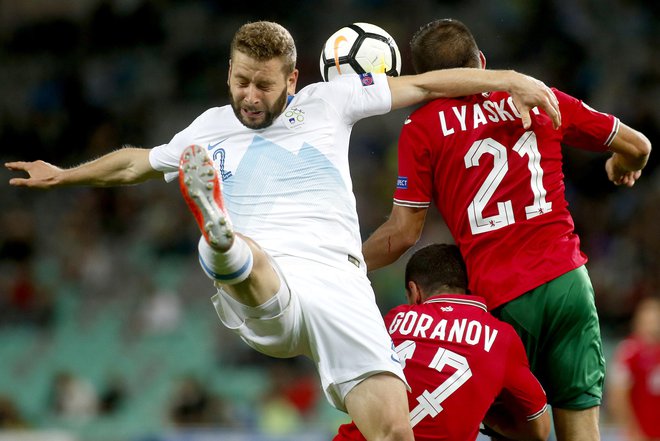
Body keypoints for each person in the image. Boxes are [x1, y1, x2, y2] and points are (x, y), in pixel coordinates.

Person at [6, 21, 562, 441]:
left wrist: (508, 78)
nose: (250, 95)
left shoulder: (329, 101)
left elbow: (427, 84)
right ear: (229, 72)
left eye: (265, 85)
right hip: (271, 279)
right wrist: (65, 176)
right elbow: (134, 163)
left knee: (394, 427)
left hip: (341, 285)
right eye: (242, 81)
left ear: (293, 79)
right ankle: (220, 237)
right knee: (245, 257)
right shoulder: (208, 128)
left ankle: (220, 241)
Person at [361, 19, 651, 441]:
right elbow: (639, 145)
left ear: (428, 81)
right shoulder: (536, 97)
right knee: (583, 430)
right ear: (481, 62)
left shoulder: (421, 128)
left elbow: (402, 233)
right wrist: (623, 165)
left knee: (518, 431)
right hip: (570, 282)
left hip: (503, 297)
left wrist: (346, 262)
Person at [334, 243, 550, 441]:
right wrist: (484, 414)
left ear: (414, 291)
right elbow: (540, 429)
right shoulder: (501, 337)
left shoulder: (393, 320)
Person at [607, 297, 660, 441]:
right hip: (638, 434)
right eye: (648, 319)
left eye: (655, 319)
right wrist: (630, 429)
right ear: (638, 321)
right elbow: (617, 394)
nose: (652, 325)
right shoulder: (628, 351)